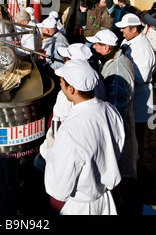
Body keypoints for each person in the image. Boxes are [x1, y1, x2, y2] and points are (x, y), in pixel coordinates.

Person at [43, 59, 125, 215]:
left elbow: (59, 189)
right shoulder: (111, 111)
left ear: (71, 89)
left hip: (78, 206)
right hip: (105, 200)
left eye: (61, 82)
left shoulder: (71, 130)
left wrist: (52, 152)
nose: (60, 85)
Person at [86, 29, 139, 213]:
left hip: (119, 132)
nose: (93, 46)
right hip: (121, 129)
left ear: (107, 47)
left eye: (97, 44)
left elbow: (116, 109)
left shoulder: (117, 68)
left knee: (118, 177)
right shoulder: (113, 61)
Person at [115, 13, 156, 157]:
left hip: (140, 98)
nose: (121, 31)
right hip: (130, 97)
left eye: (124, 28)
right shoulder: (128, 41)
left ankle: (136, 168)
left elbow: (141, 77)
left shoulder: (143, 48)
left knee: (136, 136)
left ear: (134, 29)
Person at [37, 16, 69, 82]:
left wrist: (46, 66)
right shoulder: (50, 37)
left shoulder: (60, 42)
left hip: (53, 75)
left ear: (47, 30)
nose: (41, 31)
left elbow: (59, 64)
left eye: (42, 28)